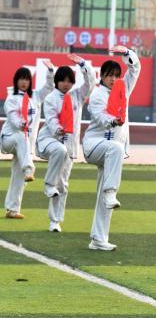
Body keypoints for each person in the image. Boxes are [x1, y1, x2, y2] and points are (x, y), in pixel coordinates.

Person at [81, 45, 140, 251]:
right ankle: (111, 191)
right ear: (102, 76)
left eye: (116, 75)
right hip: (94, 145)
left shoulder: (124, 90)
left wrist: (127, 54)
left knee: (105, 199)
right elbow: (99, 116)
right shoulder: (97, 94)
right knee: (114, 153)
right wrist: (113, 121)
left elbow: (135, 69)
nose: (113, 79)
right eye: (109, 75)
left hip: (111, 152)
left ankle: (98, 239)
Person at [36, 55, 97, 232]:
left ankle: (55, 221)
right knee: (59, 152)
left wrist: (83, 65)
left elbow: (91, 83)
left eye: (69, 81)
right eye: (62, 80)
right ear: (57, 81)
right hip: (50, 141)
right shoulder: (50, 98)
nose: (66, 84)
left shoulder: (77, 96)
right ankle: (49, 185)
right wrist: (58, 129)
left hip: (69, 147)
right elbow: (51, 119)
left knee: (62, 185)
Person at [2, 64, 53, 219]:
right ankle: (29, 168)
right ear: (16, 81)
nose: (24, 82)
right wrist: (21, 124)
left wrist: (51, 72)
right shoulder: (11, 98)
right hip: (9, 139)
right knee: (20, 136)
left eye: (27, 79)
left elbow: (49, 87)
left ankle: (12, 209)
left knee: (19, 178)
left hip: (24, 145)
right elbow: (13, 117)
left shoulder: (36, 96)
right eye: (21, 79)